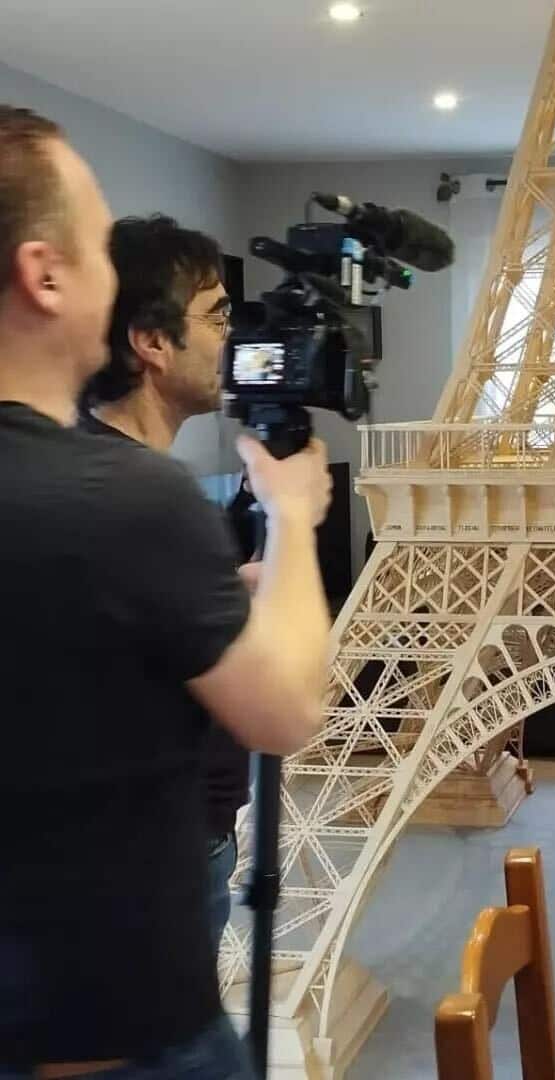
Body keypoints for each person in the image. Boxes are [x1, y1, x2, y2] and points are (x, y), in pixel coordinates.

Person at [0, 106, 332, 1074]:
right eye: (97, 241)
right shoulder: (128, 498)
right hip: (119, 1034)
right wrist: (294, 516)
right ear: (45, 273)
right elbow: (287, 709)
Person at [79, 213, 251, 953]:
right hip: (166, 848)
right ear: (152, 341)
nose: (232, 339)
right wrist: (293, 511)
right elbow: (283, 712)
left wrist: (222, 583)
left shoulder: (91, 469)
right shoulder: (151, 496)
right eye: (216, 317)